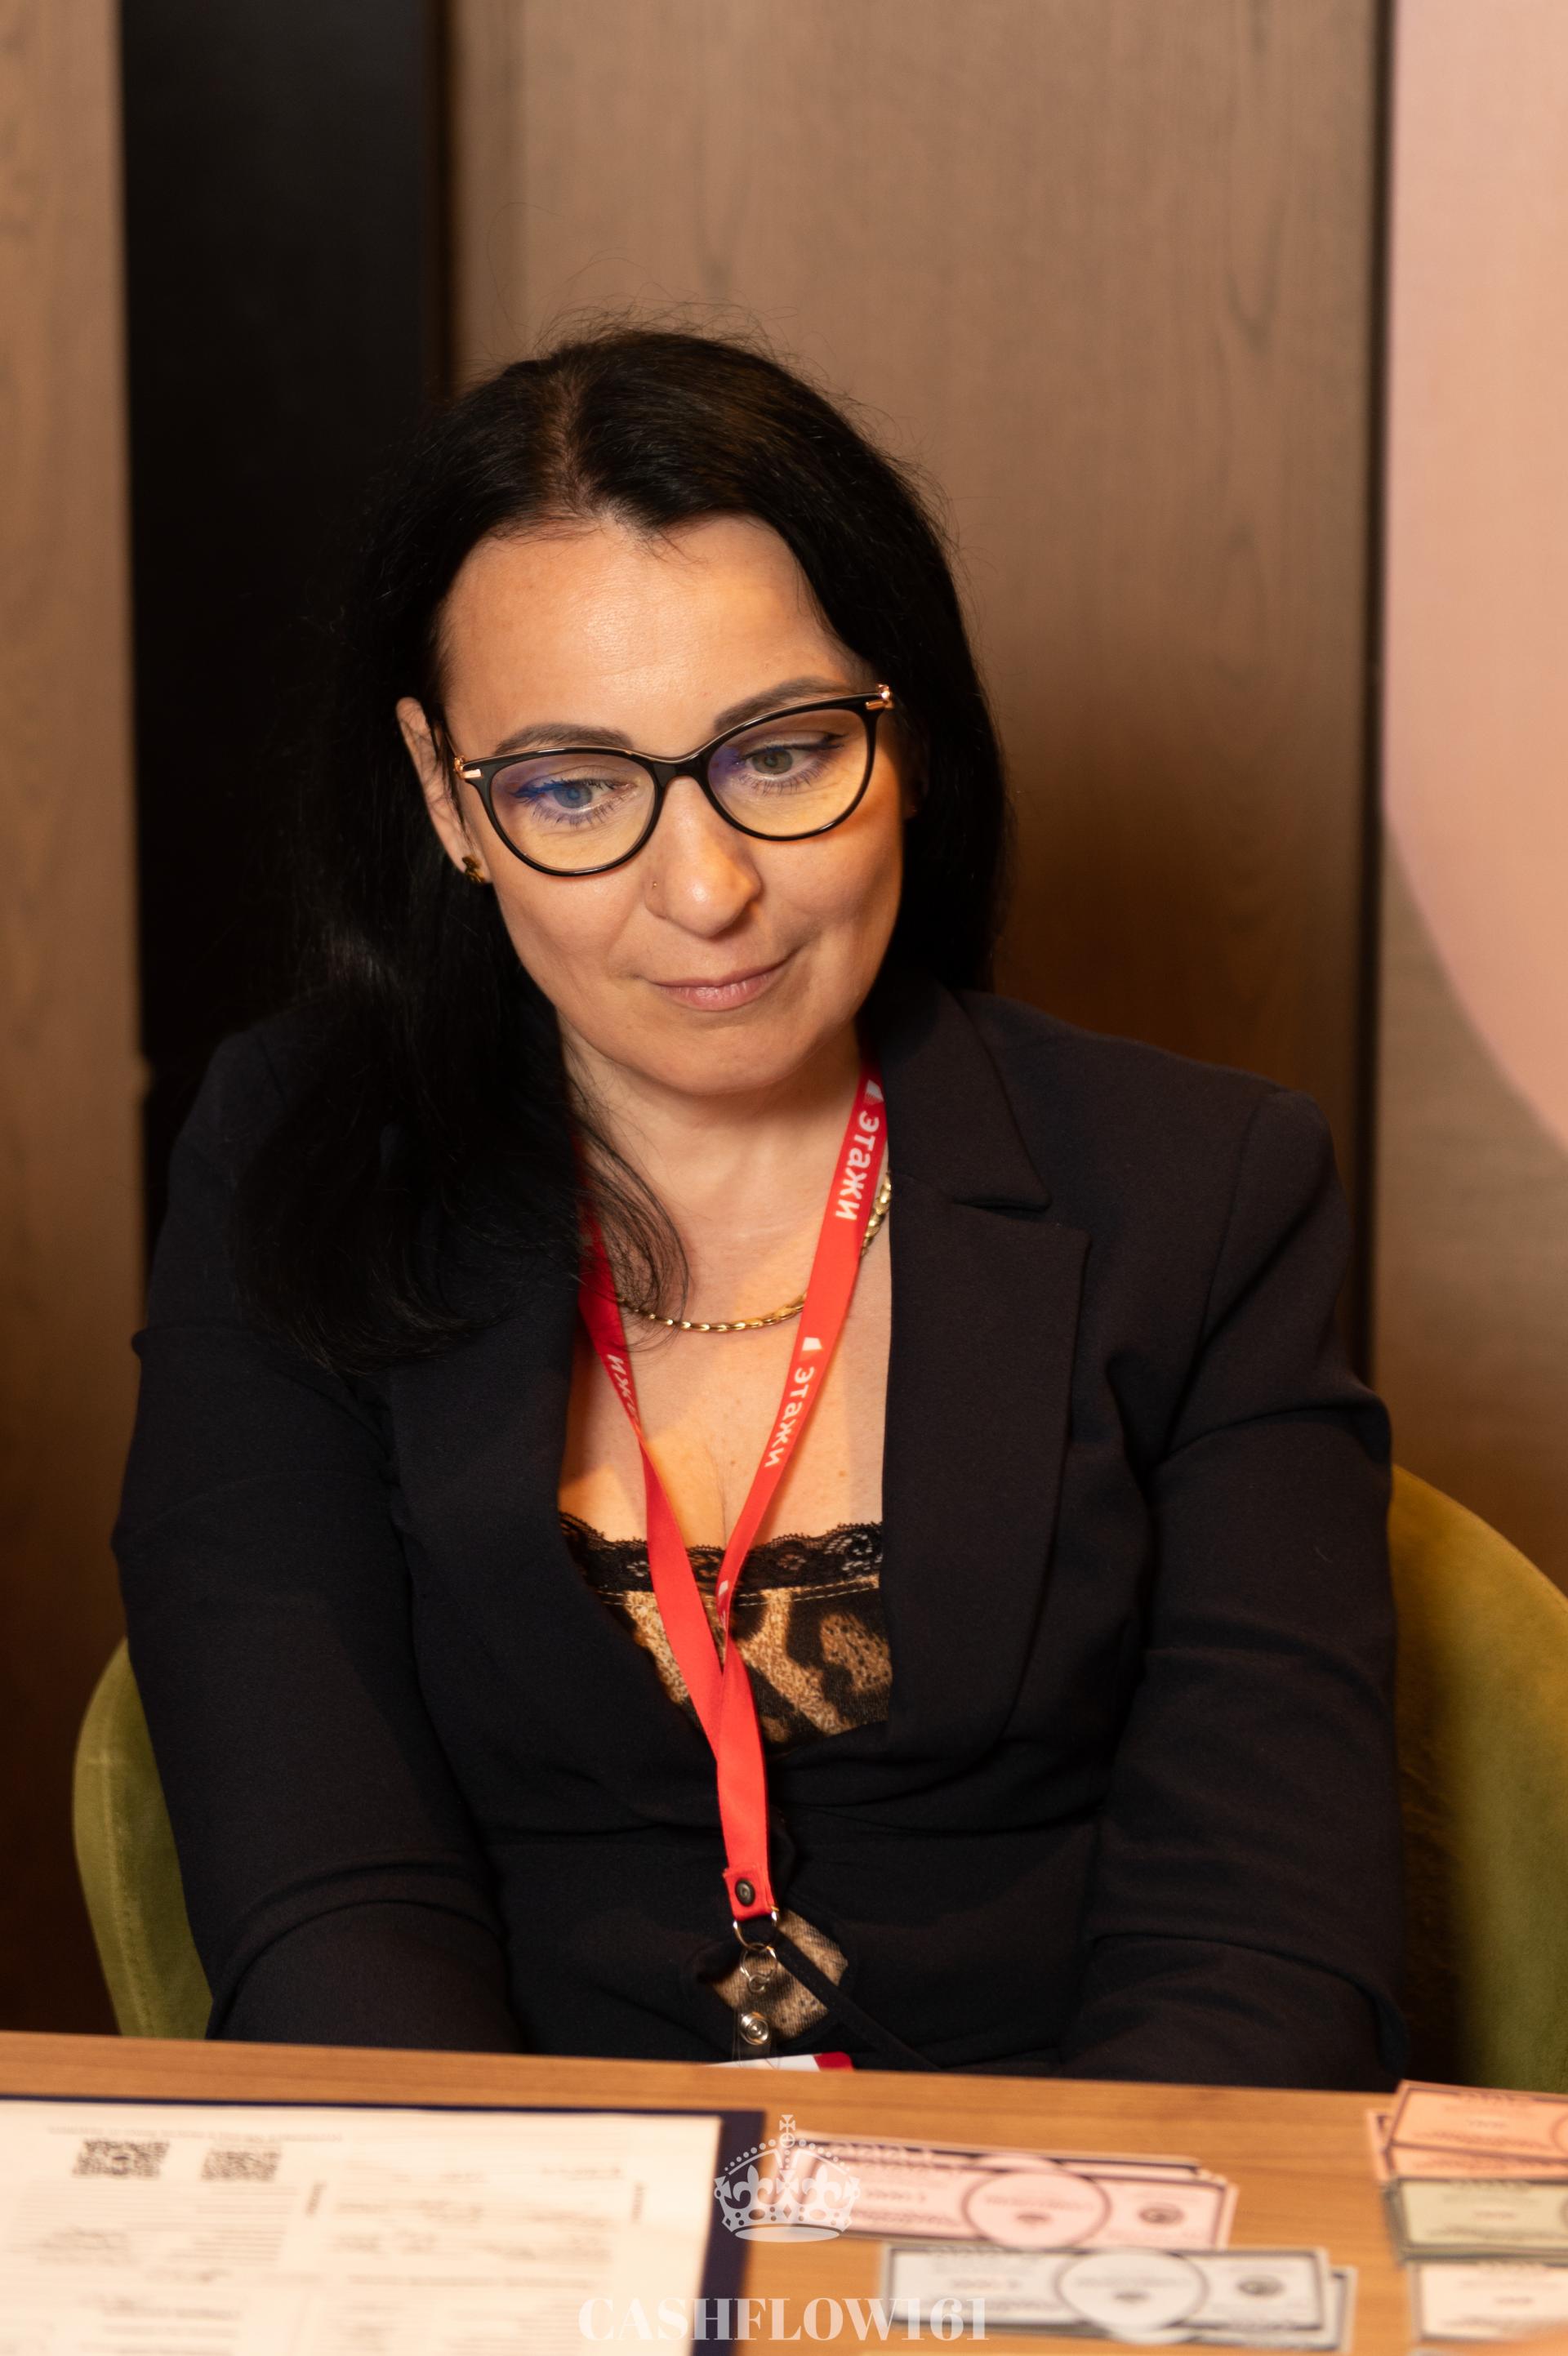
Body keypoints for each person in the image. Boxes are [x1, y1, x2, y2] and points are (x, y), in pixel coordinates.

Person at [114, 327, 1404, 2084]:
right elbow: (328, 1899)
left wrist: (1049, 2242)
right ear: (446, 800)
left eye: (780, 754)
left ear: (905, 732)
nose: (707, 888)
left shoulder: (1203, 1191)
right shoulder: (298, 1157)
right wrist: (503, 2233)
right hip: (503, 2193)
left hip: (1065, 2199)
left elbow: (1258, 1949)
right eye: (574, 788)